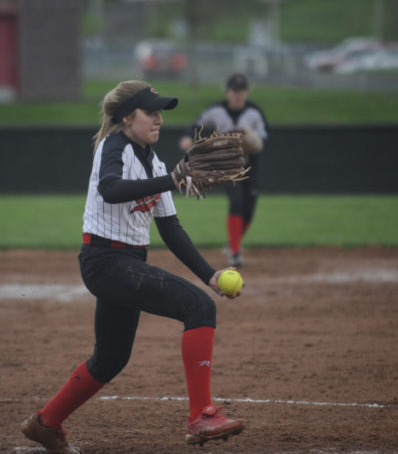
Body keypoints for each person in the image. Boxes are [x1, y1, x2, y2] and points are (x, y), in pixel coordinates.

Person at [20, 80, 245, 453]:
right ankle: (201, 416)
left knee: (110, 359)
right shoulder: (115, 147)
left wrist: (211, 274)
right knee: (198, 307)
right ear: (127, 117)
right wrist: (172, 179)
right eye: (150, 111)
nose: (159, 119)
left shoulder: (152, 160)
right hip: (105, 261)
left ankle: (46, 423)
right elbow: (109, 187)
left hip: (125, 264)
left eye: (160, 112)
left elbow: (170, 228)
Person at [179, 73, 268, 268]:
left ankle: (232, 244)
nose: (238, 94)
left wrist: (251, 140)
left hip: (251, 164)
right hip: (227, 164)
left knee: (249, 209)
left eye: (242, 90)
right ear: (227, 92)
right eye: (235, 90)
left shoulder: (254, 112)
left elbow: (263, 137)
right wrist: (188, 137)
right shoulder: (216, 110)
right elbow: (196, 124)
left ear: (247, 92)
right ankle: (235, 252)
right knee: (236, 202)